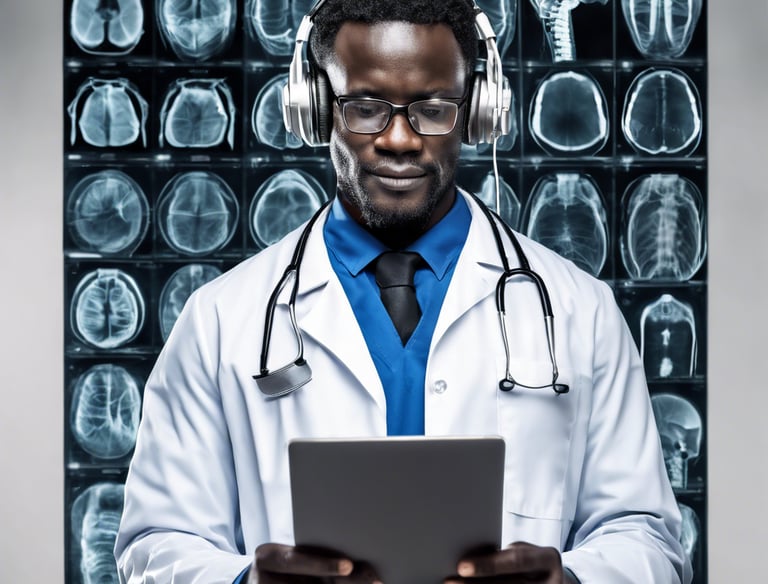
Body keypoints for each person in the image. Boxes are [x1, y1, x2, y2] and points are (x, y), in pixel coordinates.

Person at [115, 0, 692, 582]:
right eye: (364, 109)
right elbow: (156, 545)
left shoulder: (579, 311)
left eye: (433, 109)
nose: (397, 139)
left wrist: (570, 581)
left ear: (478, 112)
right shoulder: (220, 320)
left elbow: (647, 538)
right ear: (316, 110)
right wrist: (243, 583)